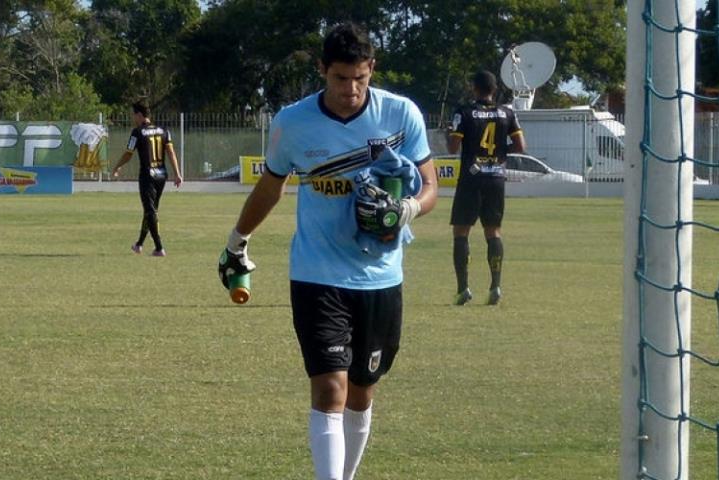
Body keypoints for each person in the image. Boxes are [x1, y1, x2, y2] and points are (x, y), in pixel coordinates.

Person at [217, 23, 438, 480]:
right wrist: (237, 240)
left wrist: (408, 209)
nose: (351, 90)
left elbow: (431, 186)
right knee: (330, 390)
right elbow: (271, 187)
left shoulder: (402, 115)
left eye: (360, 78)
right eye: (340, 78)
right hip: (317, 275)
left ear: (372, 69)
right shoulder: (293, 123)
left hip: (380, 277)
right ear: (322, 70)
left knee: (362, 392)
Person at [446, 70, 526, 306]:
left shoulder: (464, 112)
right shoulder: (507, 112)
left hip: (471, 178)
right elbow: (521, 146)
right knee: (493, 232)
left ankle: (463, 289)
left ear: (474, 88)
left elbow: (452, 148)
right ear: (494, 89)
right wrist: (501, 152)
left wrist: (448, 132)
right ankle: (495, 286)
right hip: (496, 178)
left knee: (461, 232)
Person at [111, 102, 183, 257]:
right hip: (162, 175)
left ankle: (159, 247)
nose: (132, 118)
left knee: (150, 211)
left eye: (133, 115)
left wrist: (117, 166)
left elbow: (128, 153)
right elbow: (171, 152)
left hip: (147, 176)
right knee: (151, 211)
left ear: (139, 115)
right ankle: (139, 244)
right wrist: (177, 173)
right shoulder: (164, 130)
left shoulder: (137, 132)